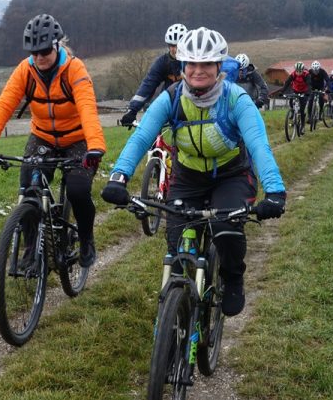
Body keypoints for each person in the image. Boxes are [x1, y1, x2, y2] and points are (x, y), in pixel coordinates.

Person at [101, 27, 286, 317]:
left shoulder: (236, 99)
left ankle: (233, 277)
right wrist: (119, 176)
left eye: (206, 64)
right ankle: (175, 321)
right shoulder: (173, 98)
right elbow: (141, 137)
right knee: (176, 246)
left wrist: (275, 190)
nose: (198, 70)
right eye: (192, 64)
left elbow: (259, 146)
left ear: (218, 66)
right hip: (187, 176)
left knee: (226, 231)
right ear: (183, 67)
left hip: (231, 175)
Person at [0, 13, 106, 268]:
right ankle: (31, 249)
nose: (39, 57)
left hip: (78, 139)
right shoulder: (26, 70)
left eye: (44, 50)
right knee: (28, 190)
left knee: (78, 191)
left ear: (57, 45)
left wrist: (95, 147)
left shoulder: (74, 69)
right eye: (34, 52)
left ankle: (87, 238)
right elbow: (3, 105)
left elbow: (88, 109)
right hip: (43, 137)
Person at [120, 23, 188, 126]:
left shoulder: (193, 62)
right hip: (168, 103)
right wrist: (132, 110)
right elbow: (148, 84)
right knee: (151, 131)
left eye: (179, 45)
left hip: (189, 104)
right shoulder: (162, 62)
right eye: (172, 45)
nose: (175, 49)